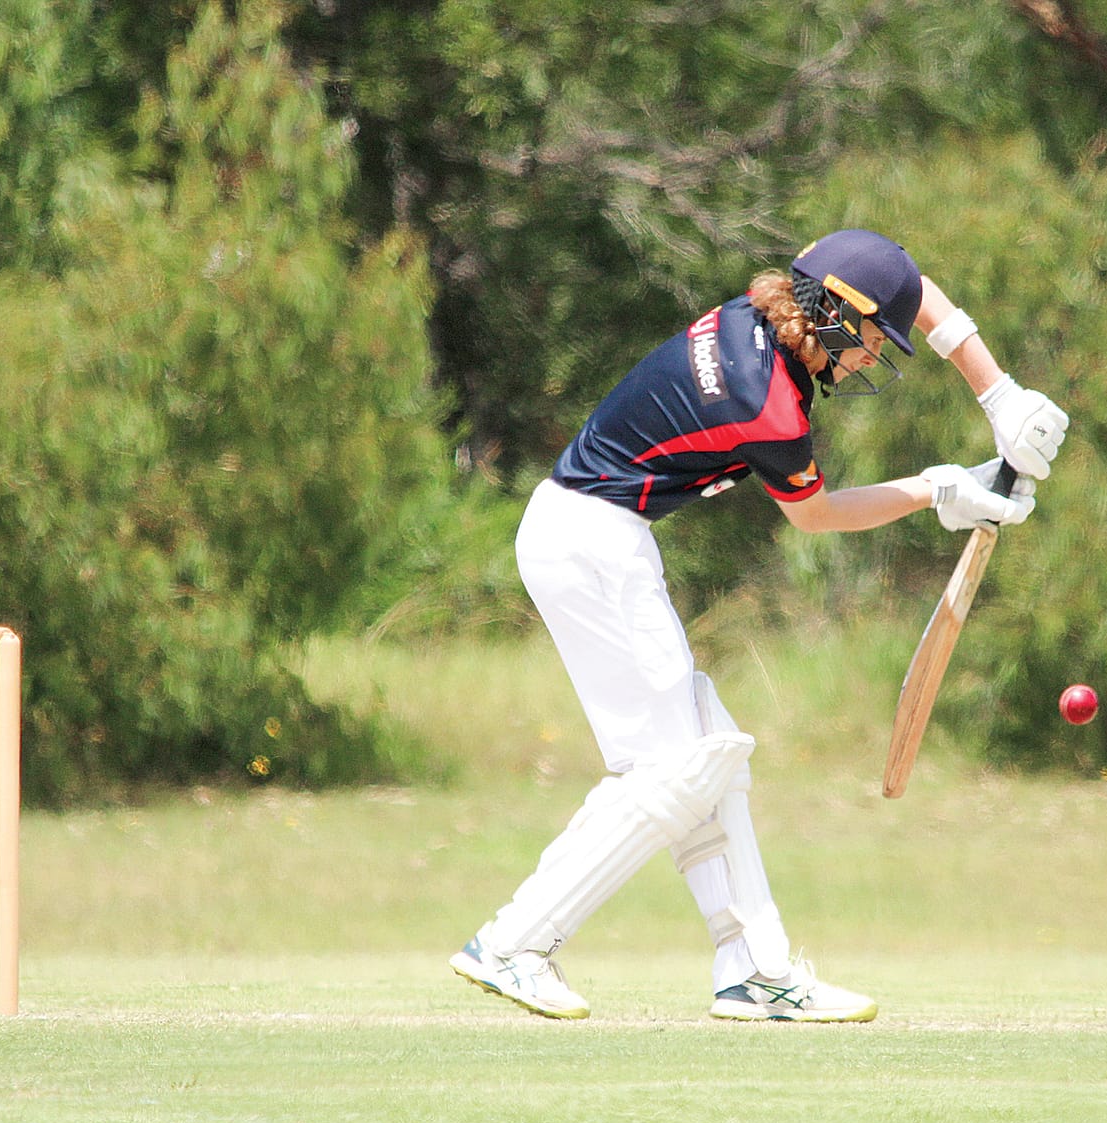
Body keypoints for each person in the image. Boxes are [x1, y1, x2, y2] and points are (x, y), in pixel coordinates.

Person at [450, 228, 1068, 1022]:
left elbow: (907, 280)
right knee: (676, 768)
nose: (871, 359)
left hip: (588, 536)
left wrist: (999, 393)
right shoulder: (763, 400)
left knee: (708, 750)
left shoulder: (767, 313)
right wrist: (937, 489)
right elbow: (814, 516)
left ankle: (754, 968)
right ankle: (512, 943)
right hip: (593, 545)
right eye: (873, 343)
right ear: (838, 318)